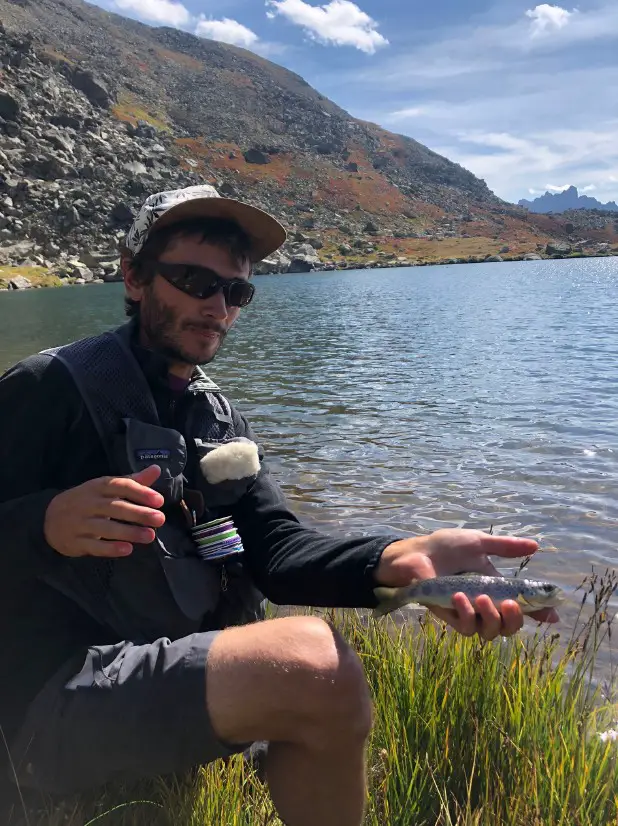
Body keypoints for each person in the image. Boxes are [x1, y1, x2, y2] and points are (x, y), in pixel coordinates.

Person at [0, 185, 559, 826]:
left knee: (314, 669)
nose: (217, 306)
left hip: (145, 673)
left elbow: (275, 551)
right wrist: (39, 524)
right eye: (193, 280)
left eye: (236, 292)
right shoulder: (51, 389)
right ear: (133, 277)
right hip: (37, 705)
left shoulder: (215, 414)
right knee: (315, 664)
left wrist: (400, 558)